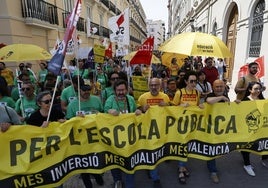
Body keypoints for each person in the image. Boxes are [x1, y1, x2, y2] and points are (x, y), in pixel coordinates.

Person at [104, 79, 142, 188]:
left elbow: (135, 112)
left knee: (129, 161)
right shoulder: (110, 100)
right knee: (115, 161)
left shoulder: (130, 99)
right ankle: (117, 180)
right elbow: (103, 114)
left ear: (127, 90)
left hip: (130, 137)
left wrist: (138, 112)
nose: (121, 92)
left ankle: (130, 184)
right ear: (115, 91)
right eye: (118, 90)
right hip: (114, 139)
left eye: (123, 90)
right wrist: (109, 111)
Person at [65, 84, 104, 188]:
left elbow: (103, 114)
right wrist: (75, 119)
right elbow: (68, 121)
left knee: (94, 160)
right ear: (79, 90)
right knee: (83, 163)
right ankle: (88, 184)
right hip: (80, 140)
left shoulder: (96, 100)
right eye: (84, 90)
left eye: (88, 90)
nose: (86, 92)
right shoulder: (73, 105)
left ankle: (98, 176)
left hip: (95, 138)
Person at [137, 77, 170, 188]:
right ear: (148, 86)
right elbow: (136, 113)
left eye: (156, 85)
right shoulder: (142, 97)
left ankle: (150, 168)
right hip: (147, 131)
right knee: (151, 153)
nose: (154, 87)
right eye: (151, 85)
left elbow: (171, 111)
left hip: (161, 130)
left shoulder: (165, 97)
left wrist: (166, 106)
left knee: (158, 152)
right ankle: (156, 178)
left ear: (160, 86)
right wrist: (142, 109)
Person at [172, 71, 203, 184]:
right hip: (180, 124)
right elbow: (172, 108)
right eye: (191, 81)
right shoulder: (179, 93)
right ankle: (181, 169)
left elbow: (198, 106)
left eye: (195, 81)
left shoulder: (197, 93)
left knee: (188, 146)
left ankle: (183, 166)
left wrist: (200, 106)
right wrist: (180, 106)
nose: (194, 83)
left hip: (192, 125)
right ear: (186, 81)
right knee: (183, 146)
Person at [205, 79, 236, 183]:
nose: (219, 88)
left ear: (224, 87)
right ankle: (213, 172)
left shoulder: (226, 97)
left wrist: (236, 104)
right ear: (213, 88)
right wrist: (222, 97)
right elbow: (209, 101)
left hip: (221, 129)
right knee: (211, 150)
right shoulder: (210, 95)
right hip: (209, 129)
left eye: (221, 86)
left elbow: (229, 110)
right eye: (217, 87)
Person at [238, 81, 267, 176]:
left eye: (259, 89)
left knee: (264, 142)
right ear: (250, 90)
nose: (258, 90)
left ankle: (264, 159)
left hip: (261, 128)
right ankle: (247, 164)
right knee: (247, 146)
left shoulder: (262, 99)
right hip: (248, 128)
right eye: (255, 89)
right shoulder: (245, 100)